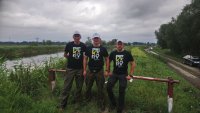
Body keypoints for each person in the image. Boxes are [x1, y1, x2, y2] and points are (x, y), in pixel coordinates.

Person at [58, 31, 86, 111]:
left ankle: (77, 103)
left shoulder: (83, 45)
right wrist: (70, 59)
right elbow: (65, 54)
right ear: (73, 37)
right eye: (75, 36)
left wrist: (84, 69)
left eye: (78, 36)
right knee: (66, 87)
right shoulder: (69, 45)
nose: (77, 37)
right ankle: (62, 105)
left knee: (79, 87)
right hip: (70, 69)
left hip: (80, 69)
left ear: (80, 37)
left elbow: (85, 57)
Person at [107, 41, 136, 113]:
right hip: (114, 73)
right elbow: (108, 61)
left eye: (121, 44)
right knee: (108, 87)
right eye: (118, 44)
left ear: (123, 45)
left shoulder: (127, 53)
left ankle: (120, 108)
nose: (119, 46)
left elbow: (133, 64)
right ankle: (113, 103)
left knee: (122, 90)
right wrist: (108, 71)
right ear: (116, 45)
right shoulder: (113, 53)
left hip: (123, 74)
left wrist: (130, 75)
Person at [83, 33, 109, 112]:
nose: (96, 40)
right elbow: (85, 59)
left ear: (99, 39)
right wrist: (84, 70)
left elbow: (107, 59)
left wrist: (107, 70)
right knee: (88, 87)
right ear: (92, 39)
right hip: (90, 70)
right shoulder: (88, 48)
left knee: (100, 88)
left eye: (97, 38)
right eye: (95, 38)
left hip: (99, 71)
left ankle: (101, 105)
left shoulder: (103, 49)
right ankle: (87, 101)